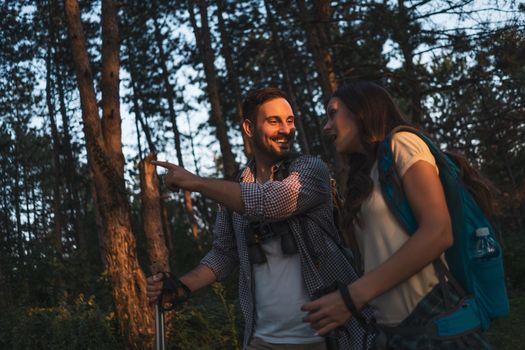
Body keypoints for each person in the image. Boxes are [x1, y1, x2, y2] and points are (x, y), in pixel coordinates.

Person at [147, 87, 373, 350]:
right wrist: (179, 287)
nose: (286, 129)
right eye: (274, 121)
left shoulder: (311, 170)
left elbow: (273, 202)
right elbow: (224, 254)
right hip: (262, 340)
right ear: (249, 128)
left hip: (328, 338)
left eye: (290, 121)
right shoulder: (236, 186)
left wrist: (196, 182)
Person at [302, 81, 492, 348]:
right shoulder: (367, 174)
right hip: (393, 335)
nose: (327, 126)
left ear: (360, 111)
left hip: (433, 322)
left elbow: (438, 232)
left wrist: (351, 298)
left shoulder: (402, 143)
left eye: (333, 113)